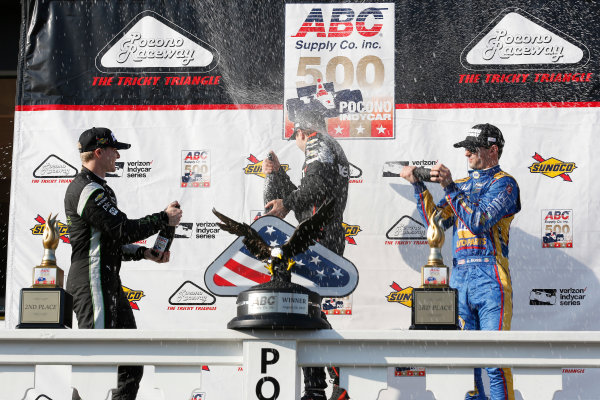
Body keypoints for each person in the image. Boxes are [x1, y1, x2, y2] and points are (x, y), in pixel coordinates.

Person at [401, 123, 520, 400]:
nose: (466, 152)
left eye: (472, 147)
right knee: (467, 363)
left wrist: (450, 187)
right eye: (465, 148)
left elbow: (479, 221)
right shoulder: (462, 186)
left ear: (493, 150)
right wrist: (418, 185)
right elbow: (436, 222)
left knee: (494, 361)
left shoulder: (505, 183)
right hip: (459, 277)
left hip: (491, 277)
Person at [64, 127, 182, 400]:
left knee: (129, 362)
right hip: (91, 280)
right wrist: (163, 218)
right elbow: (123, 230)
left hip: (106, 280)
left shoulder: (100, 188)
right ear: (98, 152)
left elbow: (110, 244)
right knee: (96, 365)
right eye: (114, 150)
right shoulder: (86, 189)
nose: (117, 155)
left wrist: (144, 254)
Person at [262, 111, 350, 400]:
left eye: (295, 137)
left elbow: (314, 190)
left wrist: (285, 201)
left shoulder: (317, 143)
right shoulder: (328, 146)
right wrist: (279, 176)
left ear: (302, 131)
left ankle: (334, 376)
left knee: (305, 307)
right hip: (321, 234)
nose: (297, 142)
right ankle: (320, 385)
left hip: (320, 237)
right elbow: (308, 201)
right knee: (307, 308)